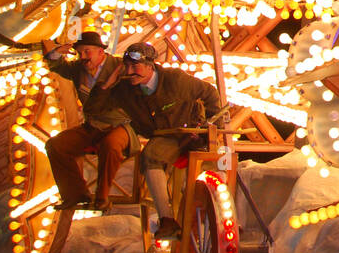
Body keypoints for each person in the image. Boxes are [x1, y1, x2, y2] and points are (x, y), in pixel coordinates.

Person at [107, 42, 222, 241]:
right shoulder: (126, 89)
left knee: (210, 172)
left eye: (135, 67)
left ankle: (219, 220)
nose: (129, 71)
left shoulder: (175, 80)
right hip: (164, 137)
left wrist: (212, 128)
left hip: (188, 133)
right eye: (126, 66)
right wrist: (106, 85)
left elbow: (210, 93)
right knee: (150, 156)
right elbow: (96, 105)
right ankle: (167, 220)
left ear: (150, 66)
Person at [42, 31, 132, 212]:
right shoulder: (78, 69)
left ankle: (102, 197)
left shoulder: (119, 66)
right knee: (55, 145)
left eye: (87, 51)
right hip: (92, 126)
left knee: (111, 145)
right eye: (80, 52)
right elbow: (56, 65)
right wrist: (58, 50)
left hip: (120, 124)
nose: (83, 57)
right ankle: (74, 195)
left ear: (100, 51)